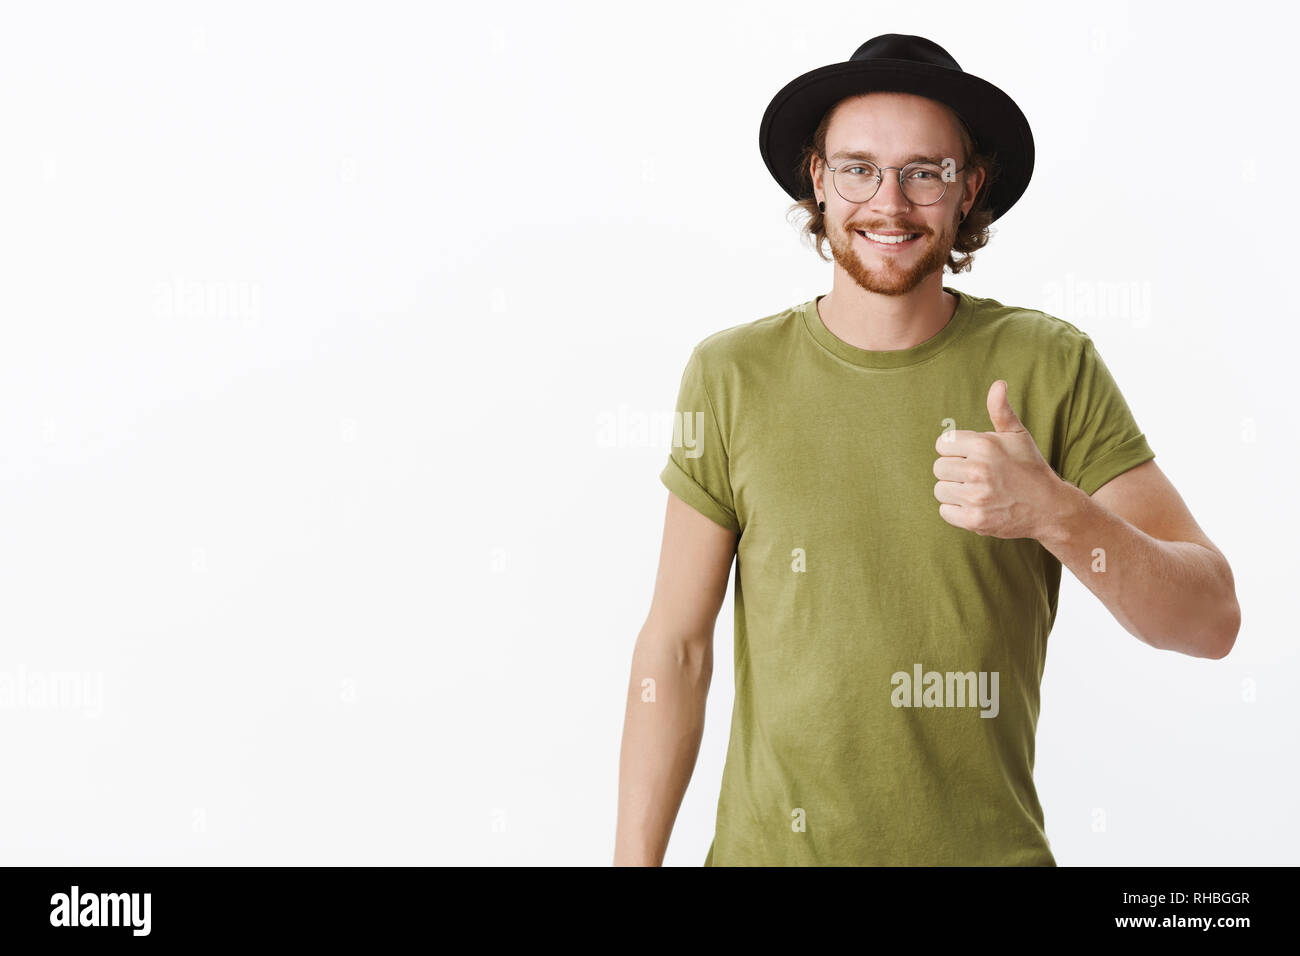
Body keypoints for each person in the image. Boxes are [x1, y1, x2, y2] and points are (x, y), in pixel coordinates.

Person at [614, 34, 1240, 867]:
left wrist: (1057, 511)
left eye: (925, 171)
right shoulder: (731, 374)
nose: (890, 203)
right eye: (858, 168)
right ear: (818, 180)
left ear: (969, 187)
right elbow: (677, 648)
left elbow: (1211, 621)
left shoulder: (1049, 366)